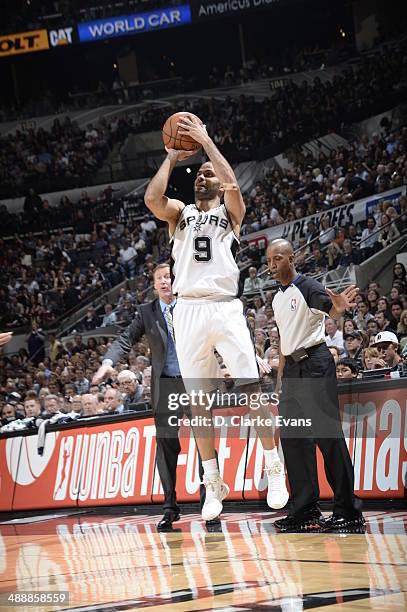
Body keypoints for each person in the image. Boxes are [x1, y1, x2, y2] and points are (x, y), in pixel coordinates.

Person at [144, 114, 288, 523]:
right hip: (188, 309)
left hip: (225, 306)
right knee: (198, 404)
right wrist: (172, 157)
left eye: (207, 173)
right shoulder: (179, 214)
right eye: (199, 174)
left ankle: (273, 469)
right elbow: (153, 200)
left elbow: (234, 186)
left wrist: (206, 142)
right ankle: (213, 482)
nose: (202, 177)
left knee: (252, 391)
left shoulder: (231, 213)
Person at [93, 264, 210, 530]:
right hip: (166, 387)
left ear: (176, 279)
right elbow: (125, 338)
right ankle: (170, 507)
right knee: (166, 450)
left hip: (194, 384)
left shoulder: (191, 305)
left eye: (168, 276)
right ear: (154, 285)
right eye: (159, 278)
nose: (164, 281)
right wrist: (108, 361)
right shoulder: (147, 312)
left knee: (205, 444)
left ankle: (209, 503)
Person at [266, 238, 365, 533]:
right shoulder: (277, 297)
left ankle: (348, 510)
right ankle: (305, 511)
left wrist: (338, 309)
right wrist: (281, 382)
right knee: (294, 441)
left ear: (291, 258)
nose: (272, 265)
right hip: (293, 369)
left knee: (327, 436)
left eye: (278, 259)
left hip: (315, 362)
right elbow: (284, 342)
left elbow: (330, 309)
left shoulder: (308, 286)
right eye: (269, 260)